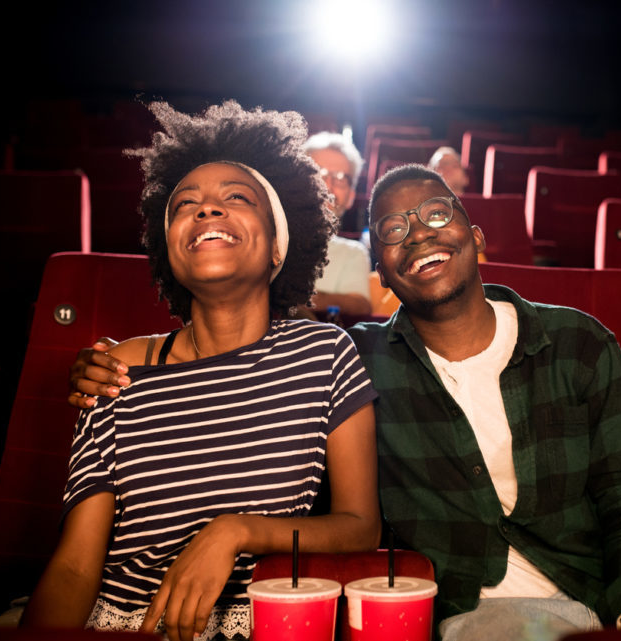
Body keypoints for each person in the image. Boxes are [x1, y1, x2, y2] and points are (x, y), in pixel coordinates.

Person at [70, 166, 621, 638]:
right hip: (481, 610)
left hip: (618, 599)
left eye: (437, 215)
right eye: (393, 230)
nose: (419, 235)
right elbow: (259, 406)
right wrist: (106, 364)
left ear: (475, 236)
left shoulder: (579, 342)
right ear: (380, 269)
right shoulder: (359, 359)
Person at [24, 101, 381, 641]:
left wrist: (237, 532)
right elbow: (76, 566)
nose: (207, 211)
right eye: (185, 204)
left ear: (279, 248)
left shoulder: (324, 353)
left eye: (236, 198)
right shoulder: (116, 369)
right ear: (171, 252)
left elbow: (360, 528)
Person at [303, 131, 372, 315]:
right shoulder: (266, 238)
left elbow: (359, 305)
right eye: (318, 172)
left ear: (350, 196)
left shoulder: (354, 253)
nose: (328, 185)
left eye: (341, 178)